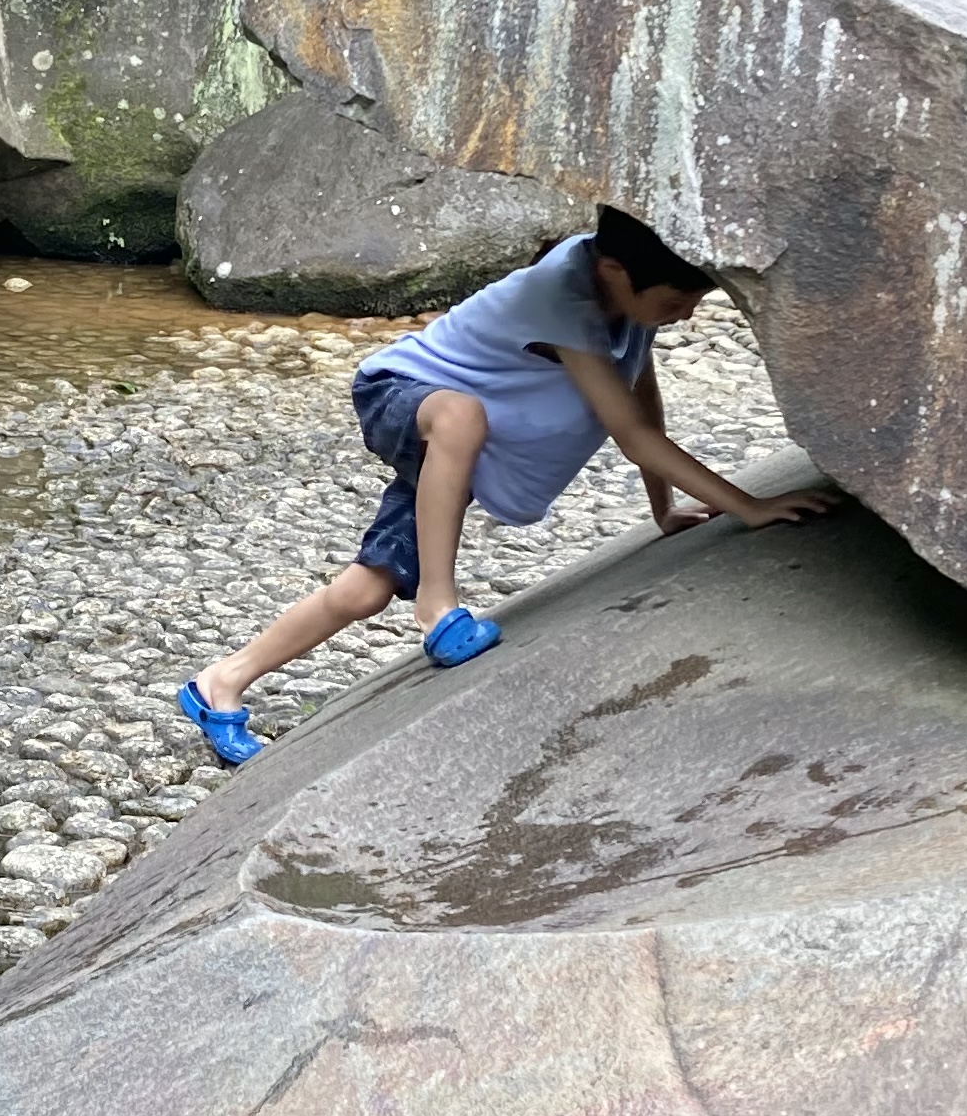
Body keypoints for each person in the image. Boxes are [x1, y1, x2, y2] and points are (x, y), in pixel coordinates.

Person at [174, 205, 830, 764]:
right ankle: (437, 604)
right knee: (460, 415)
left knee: (365, 588)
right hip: (400, 398)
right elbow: (630, 434)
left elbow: (639, 402)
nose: (687, 314)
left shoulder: (622, 301)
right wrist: (748, 506)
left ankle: (220, 684)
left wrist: (664, 510)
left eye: (694, 301)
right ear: (615, 273)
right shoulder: (562, 298)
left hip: (453, 452)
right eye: (677, 302)